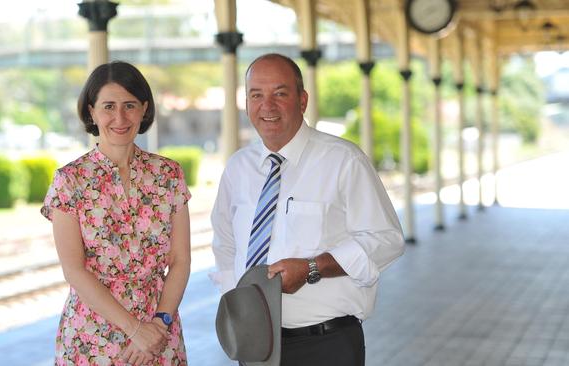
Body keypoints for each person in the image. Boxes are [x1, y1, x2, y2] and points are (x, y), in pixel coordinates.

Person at [211, 53, 405, 366]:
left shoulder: (343, 160)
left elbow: (387, 239)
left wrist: (313, 267)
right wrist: (237, 306)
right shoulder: (238, 168)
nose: (267, 106)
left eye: (280, 93)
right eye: (256, 95)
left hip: (326, 345)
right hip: (257, 345)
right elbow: (225, 243)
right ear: (246, 103)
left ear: (302, 100)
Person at [41, 61, 191, 366]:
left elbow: (180, 260)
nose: (120, 117)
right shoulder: (70, 181)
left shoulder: (169, 174)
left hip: (159, 329)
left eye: (129, 105)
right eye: (108, 106)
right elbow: (74, 270)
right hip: (92, 336)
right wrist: (135, 329)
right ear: (91, 112)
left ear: (144, 109)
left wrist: (158, 324)